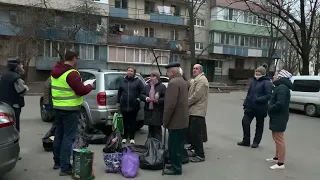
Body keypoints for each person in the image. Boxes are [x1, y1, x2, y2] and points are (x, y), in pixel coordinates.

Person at [51, 49, 93, 176]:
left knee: (59, 135)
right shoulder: (72, 73)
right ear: (74, 58)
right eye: (77, 58)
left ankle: (57, 162)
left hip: (57, 108)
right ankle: (65, 168)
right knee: (68, 138)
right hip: (70, 110)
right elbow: (80, 90)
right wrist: (90, 86)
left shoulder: (55, 71)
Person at [162, 62, 189, 175]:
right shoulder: (183, 81)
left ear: (172, 72)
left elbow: (170, 105)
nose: (167, 74)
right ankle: (174, 163)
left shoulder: (173, 83)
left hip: (175, 120)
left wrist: (165, 121)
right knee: (178, 144)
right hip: (182, 119)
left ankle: (176, 168)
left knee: (174, 146)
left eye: (167, 72)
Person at [238, 65, 273, 148]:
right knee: (245, 122)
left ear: (263, 73)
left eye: (259, 72)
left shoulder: (267, 83)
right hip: (250, 107)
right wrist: (245, 103)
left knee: (259, 125)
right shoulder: (253, 82)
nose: (257, 73)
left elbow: (268, 95)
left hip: (260, 108)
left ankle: (256, 142)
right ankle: (246, 140)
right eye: (256, 71)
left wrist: (257, 99)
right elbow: (249, 94)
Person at [267, 69, 292, 170]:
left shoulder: (282, 88)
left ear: (281, 77)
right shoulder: (280, 86)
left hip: (279, 116)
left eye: (276, 75)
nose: (273, 76)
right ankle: (277, 158)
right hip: (277, 116)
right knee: (276, 137)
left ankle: (280, 163)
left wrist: (270, 107)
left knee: (279, 139)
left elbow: (280, 103)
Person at [187, 64, 209, 163]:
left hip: (197, 111)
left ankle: (200, 155)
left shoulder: (202, 80)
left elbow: (196, 96)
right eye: (193, 68)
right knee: (193, 133)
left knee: (197, 134)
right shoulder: (197, 79)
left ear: (200, 70)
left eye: (196, 68)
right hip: (194, 110)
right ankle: (196, 151)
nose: (194, 70)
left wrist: (186, 103)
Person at [117, 66, 144, 144]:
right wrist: (118, 102)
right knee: (125, 122)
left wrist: (139, 99)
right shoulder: (123, 81)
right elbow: (119, 92)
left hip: (134, 105)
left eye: (131, 71)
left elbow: (143, 92)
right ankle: (124, 137)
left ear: (134, 73)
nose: (129, 72)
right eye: (128, 70)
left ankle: (132, 137)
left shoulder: (138, 81)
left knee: (133, 122)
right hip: (124, 105)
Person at [0, 58, 28, 132]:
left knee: (6, 126)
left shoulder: (4, 75)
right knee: (14, 127)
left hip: (4, 105)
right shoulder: (15, 78)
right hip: (14, 106)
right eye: (20, 64)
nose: (22, 66)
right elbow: (22, 91)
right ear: (17, 66)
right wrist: (25, 86)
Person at [140, 72, 166, 141]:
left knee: (157, 129)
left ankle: (157, 146)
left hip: (157, 111)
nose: (151, 78)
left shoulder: (162, 87)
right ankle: (150, 146)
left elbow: (165, 98)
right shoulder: (147, 86)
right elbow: (141, 95)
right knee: (150, 129)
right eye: (150, 76)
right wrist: (146, 98)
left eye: (153, 76)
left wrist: (157, 100)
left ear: (157, 78)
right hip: (148, 111)